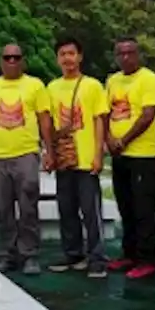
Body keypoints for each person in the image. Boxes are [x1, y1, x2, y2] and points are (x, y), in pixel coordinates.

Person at [0, 43, 53, 275]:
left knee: (28, 206)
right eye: (7, 58)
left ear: (23, 60)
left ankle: (29, 255)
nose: (11, 62)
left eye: (16, 58)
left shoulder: (35, 86)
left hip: (26, 154)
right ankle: (7, 254)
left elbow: (44, 119)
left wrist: (49, 150)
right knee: (3, 208)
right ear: (0, 61)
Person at [45, 36, 109, 278]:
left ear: (80, 57)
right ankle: (73, 253)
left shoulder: (92, 86)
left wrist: (98, 154)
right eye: (62, 54)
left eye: (71, 53)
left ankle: (97, 257)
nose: (67, 59)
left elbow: (99, 120)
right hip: (64, 158)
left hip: (85, 158)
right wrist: (49, 152)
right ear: (57, 59)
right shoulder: (51, 88)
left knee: (91, 211)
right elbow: (49, 124)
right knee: (67, 208)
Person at [103, 36, 155, 279]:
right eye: (121, 53)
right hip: (119, 156)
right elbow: (105, 113)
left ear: (138, 55)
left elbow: (148, 115)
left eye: (130, 53)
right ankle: (129, 254)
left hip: (143, 156)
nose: (126, 57)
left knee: (143, 208)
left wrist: (124, 140)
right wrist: (108, 139)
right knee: (125, 206)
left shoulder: (148, 78)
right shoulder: (112, 80)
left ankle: (148, 259)